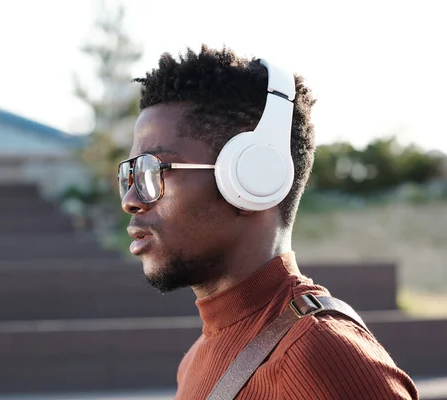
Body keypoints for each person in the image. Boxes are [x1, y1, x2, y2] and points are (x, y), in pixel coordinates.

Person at [117, 45, 418, 399]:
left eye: (154, 170)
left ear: (251, 179)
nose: (130, 200)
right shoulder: (200, 356)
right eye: (130, 174)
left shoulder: (323, 358)